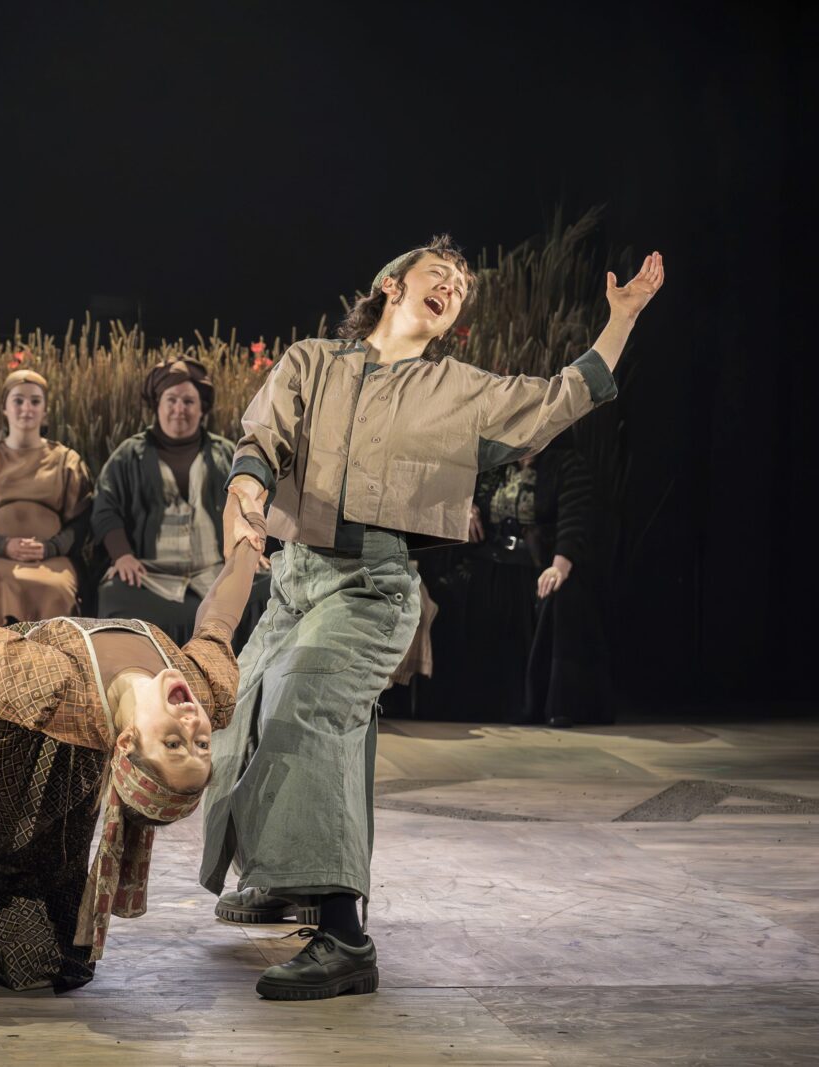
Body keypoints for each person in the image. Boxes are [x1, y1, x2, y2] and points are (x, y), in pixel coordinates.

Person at [201, 235, 664, 1001]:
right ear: (390, 283)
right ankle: (288, 884)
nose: (451, 285)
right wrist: (247, 495)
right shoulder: (312, 362)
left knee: (305, 704)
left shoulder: (459, 389)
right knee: (240, 715)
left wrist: (621, 320)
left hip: (372, 585)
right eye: (437, 273)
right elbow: (261, 444)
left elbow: (557, 400)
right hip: (292, 580)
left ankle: (343, 933)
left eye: (461, 286)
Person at [0, 472, 262, 991]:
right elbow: (221, 615)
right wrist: (246, 538)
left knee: (43, 943)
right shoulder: (203, 688)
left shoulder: (53, 685)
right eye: (199, 744)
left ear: (126, 744)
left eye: (173, 742)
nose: (193, 723)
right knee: (3, 875)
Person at [423, 440, 607, 726]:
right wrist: (466, 506)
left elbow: (575, 520)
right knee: (447, 594)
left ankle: (554, 706)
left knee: (557, 595)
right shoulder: (494, 462)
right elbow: (458, 491)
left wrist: (559, 566)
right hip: (490, 562)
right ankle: (453, 702)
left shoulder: (566, 463)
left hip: (535, 565)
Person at [92, 358, 268, 646]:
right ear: (158, 405)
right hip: (153, 575)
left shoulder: (225, 453)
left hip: (216, 570)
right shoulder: (129, 454)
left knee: (268, 584)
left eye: (188, 401)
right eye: (171, 400)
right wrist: (122, 555)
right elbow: (105, 507)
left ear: (202, 408)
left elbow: (252, 501)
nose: (179, 409)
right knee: (114, 593)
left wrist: (250, 550)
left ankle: (240, 677)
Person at [0, 369, 93, 623]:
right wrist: (4, 545)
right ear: (4, 408)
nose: (26, 408)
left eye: (35, 401)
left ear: (45, 409)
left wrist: (51, 548)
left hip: (51, 558)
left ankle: (54, 661)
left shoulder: (66, 461)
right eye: (18, 400)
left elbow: (81, 522)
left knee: (56, 589)